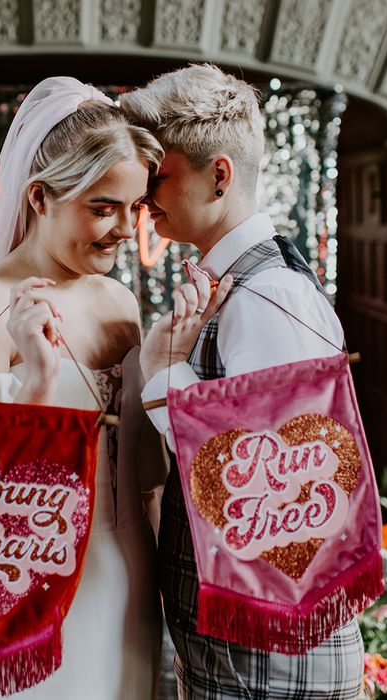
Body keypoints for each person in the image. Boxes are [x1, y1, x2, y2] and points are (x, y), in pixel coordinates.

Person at [122, 64, 365, 699]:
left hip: (269, 658)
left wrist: (163, 375)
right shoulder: (246, 286)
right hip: (247, 648)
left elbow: (268, 489)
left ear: (220, 175)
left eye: (162, 175)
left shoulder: (266, 297)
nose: (146, 196)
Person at [0, 77, 166, 699]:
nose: (123, 229)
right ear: (40, 197)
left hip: (128, 578)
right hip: (27, 587)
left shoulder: (120, 302)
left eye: (134, 207)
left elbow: (146, 476)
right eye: (102, 207)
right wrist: (34, 385)